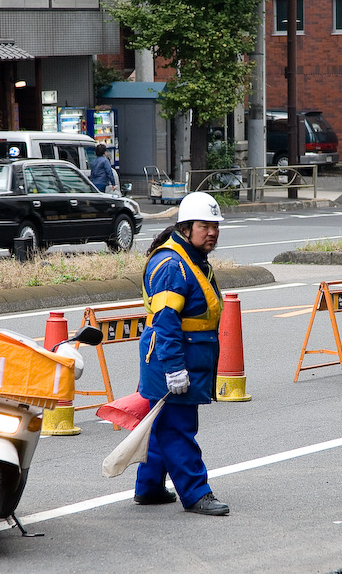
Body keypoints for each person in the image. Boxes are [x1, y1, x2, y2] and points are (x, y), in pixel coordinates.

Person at [134, 191, 229, 516]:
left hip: (181, 359)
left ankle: (148, 488)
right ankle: (196, 493)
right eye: (205, 226)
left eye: (216, 226)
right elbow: (166, 322)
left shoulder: (191, 259)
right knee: (178, 429)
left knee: (163, 425)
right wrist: (174, 369)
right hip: (171, 361)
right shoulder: (172, 265)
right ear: (186, 227)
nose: (213, 232)